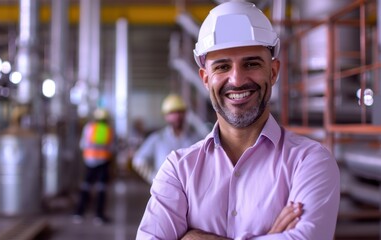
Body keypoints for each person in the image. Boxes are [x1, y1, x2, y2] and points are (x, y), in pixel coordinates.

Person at [136, 1, 340, 239]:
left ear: (273, 72)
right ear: (205, 78)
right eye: (222, 66)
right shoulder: (178, 170)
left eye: (251, 63)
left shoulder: (309, 162)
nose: (237, 79)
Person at [132, 93, 205, 184]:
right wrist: (154, 178)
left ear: (185, 114)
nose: (177, 116)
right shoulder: (157, 139)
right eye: (172, 113)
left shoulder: (196, 138)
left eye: (180, 112)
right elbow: (138, 160)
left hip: (190, 189)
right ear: (165, 116)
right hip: (165, 190)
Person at [73, 108, 114, 225]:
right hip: (103, 161)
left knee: (86, 186)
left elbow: (83, 144)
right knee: (101, 188)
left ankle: (79, 213)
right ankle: (99, 216)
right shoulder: (109, 129)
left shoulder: (89, 127)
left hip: (89, 161)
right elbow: (112, 147)